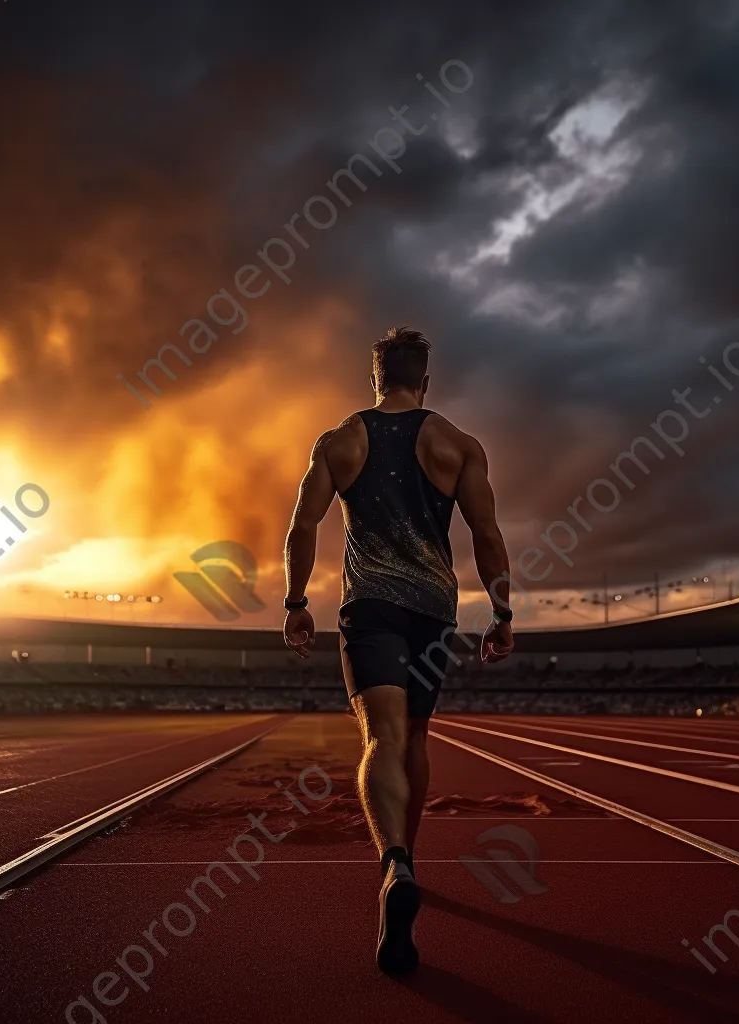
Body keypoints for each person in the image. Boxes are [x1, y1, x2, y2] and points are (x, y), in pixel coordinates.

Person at [281, 325, 515, 974]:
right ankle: (409, 857)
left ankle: (393, 864)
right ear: (426, 382)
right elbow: (488, 535)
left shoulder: (340, 441)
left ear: (375, 378)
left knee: (380, 739)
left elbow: (303, 525)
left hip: (373, 607)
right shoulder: (458, 445)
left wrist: (297, 603)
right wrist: (503, 612)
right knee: (416, 736)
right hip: (435, 611)